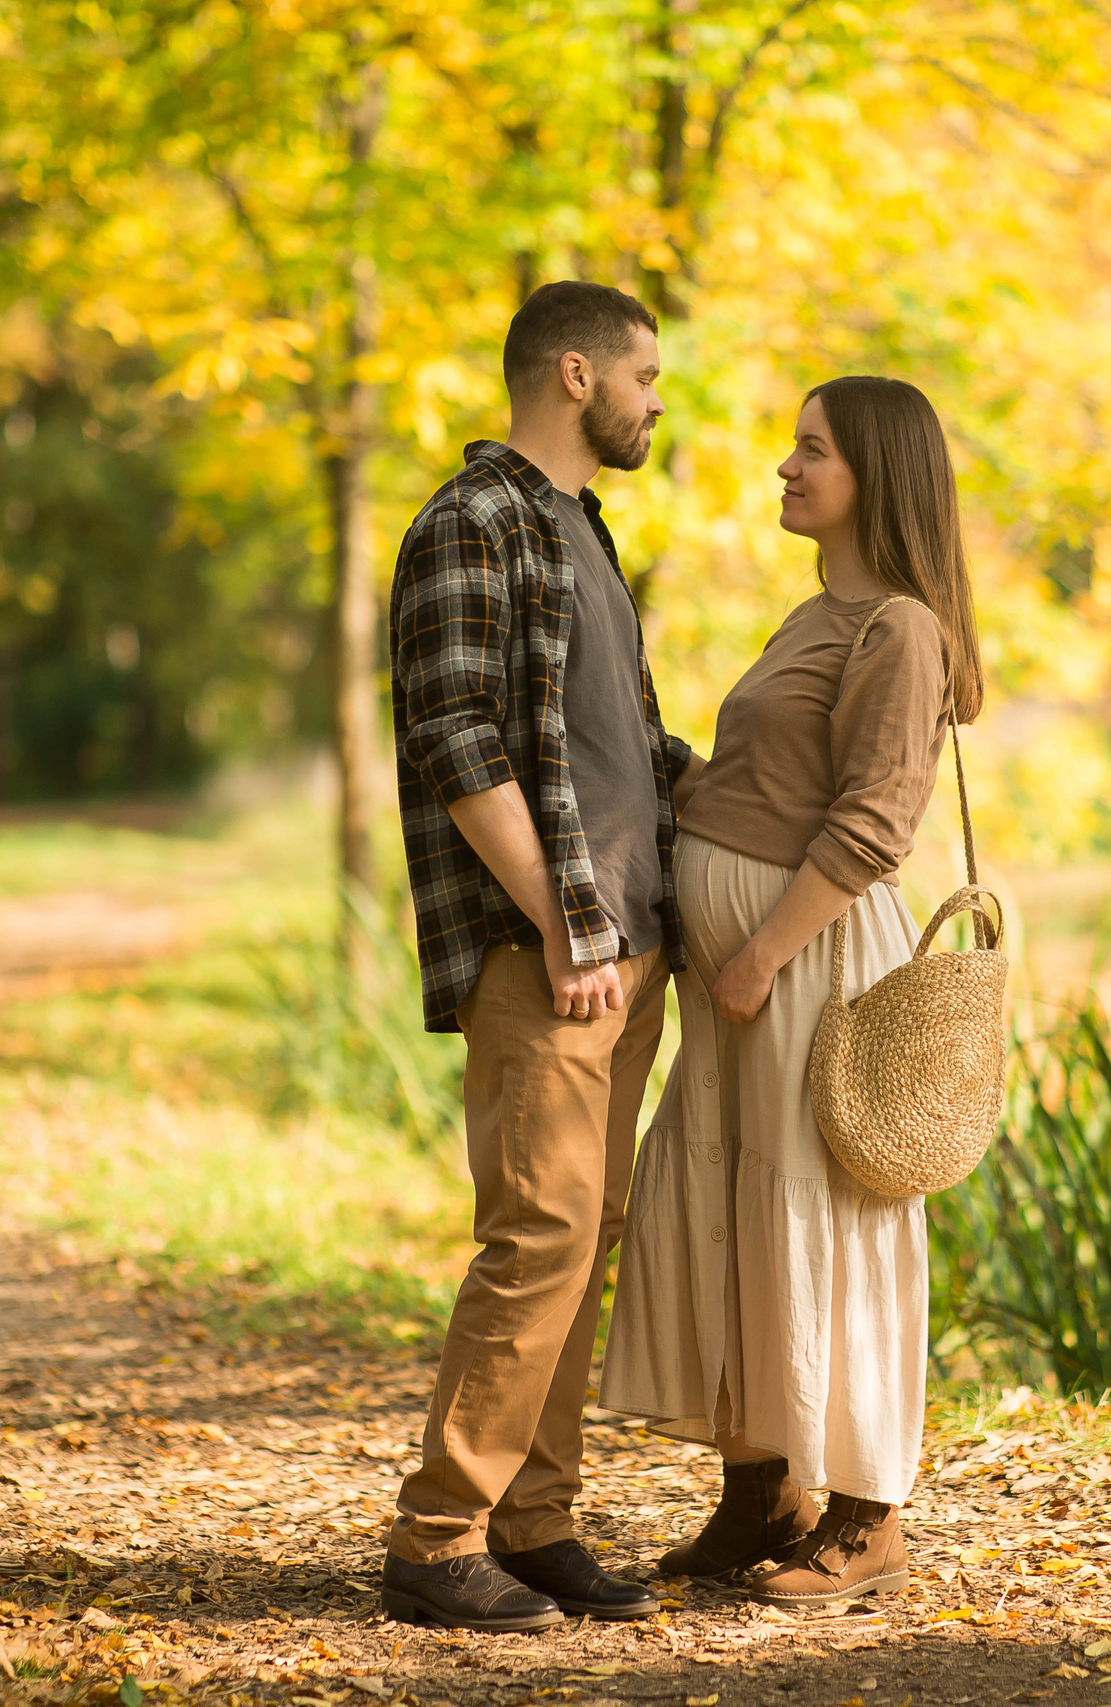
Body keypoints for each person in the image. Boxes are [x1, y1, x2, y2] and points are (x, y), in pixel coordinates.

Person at [603, 375, 985, 1606]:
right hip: (753, 971)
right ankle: (764, 1488)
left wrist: (761, 951)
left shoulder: (898, 629)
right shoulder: (813, 615)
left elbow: (874, 822)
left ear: (878, 475)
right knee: (729, 1206)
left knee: (825, 1212)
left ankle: (871, 1513)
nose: (786, 468)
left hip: (806, 967)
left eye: (812, 452)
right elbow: (756, 782)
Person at [380, 281, 702, 1632]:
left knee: (588, 1237)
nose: (656, 400)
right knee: (540, 1234)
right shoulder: (473, 523)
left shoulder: (585, 530)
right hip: (547, 948)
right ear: (575, 375)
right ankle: (435, 1535)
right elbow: (456, 738)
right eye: (644, 374)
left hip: (628, 951)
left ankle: (538, 1515)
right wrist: (566, 920)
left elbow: (629, 746)